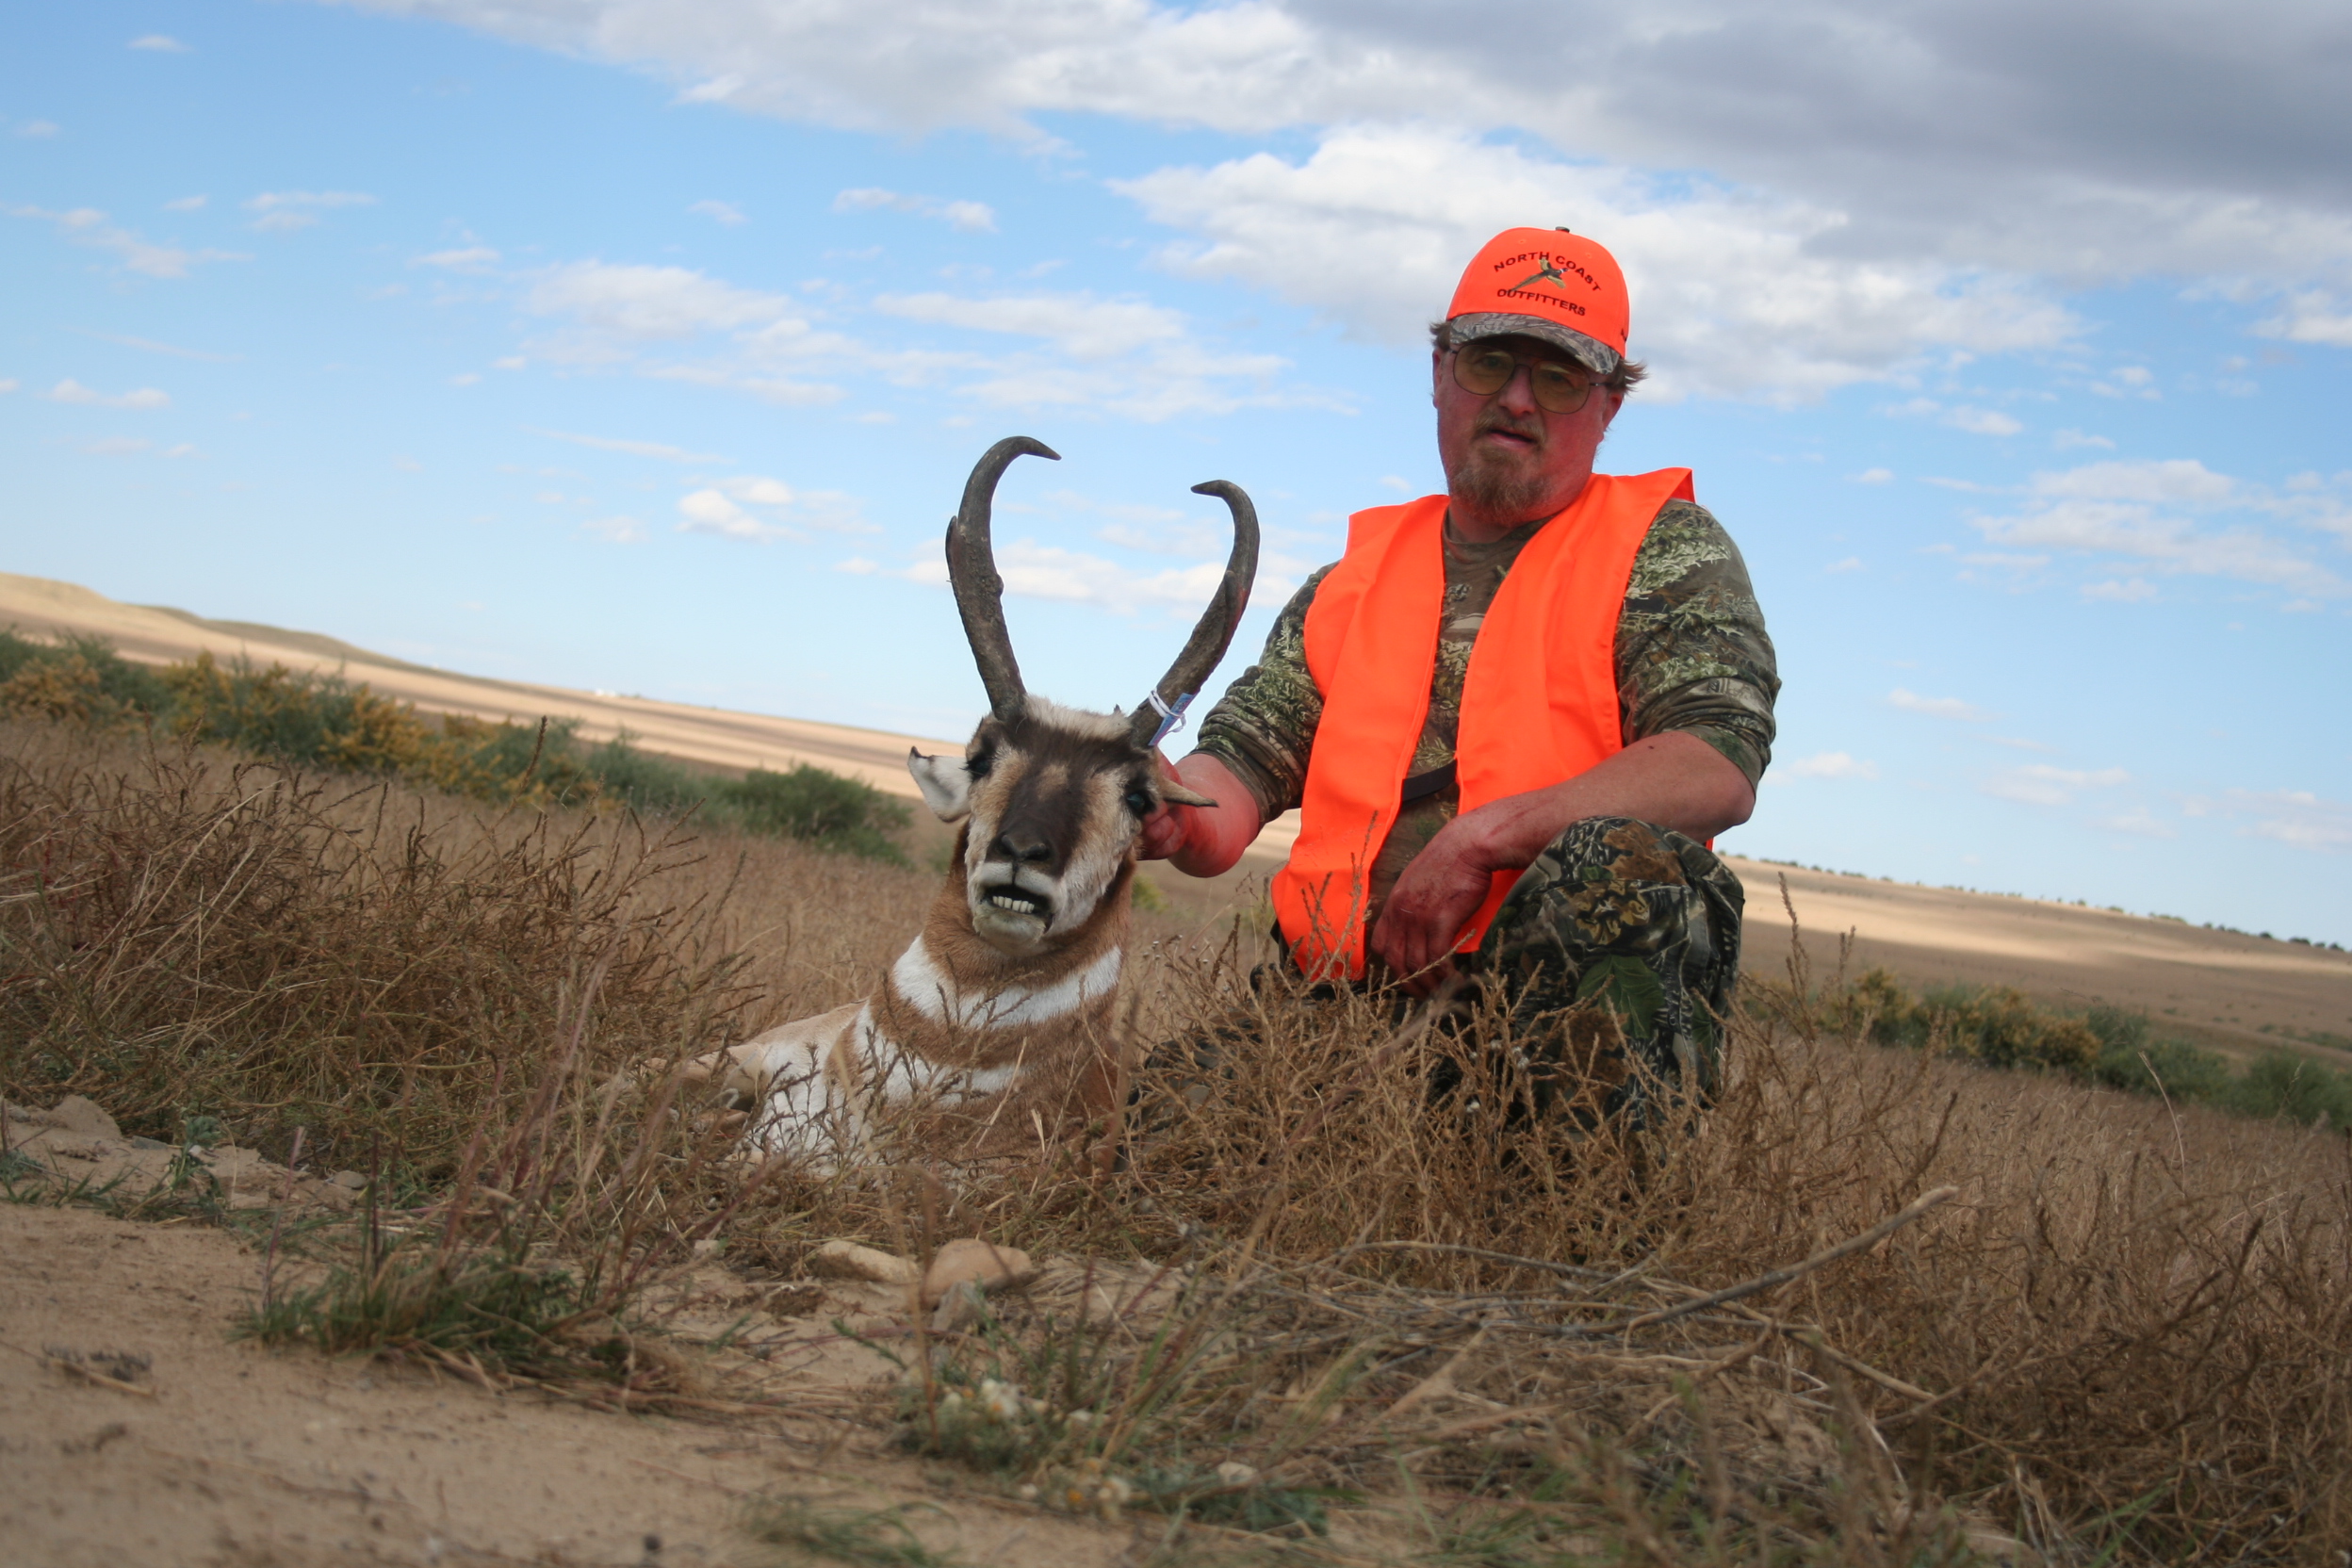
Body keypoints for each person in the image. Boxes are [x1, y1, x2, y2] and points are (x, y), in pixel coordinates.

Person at [1137, 226, 1778, 1130]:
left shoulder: (1663, 550)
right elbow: (1241, 765)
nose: (1517, 399)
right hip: (1339, 1018)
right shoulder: (1350, 583)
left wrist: (1483, 841)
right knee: (1144, 1144)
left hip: (1538, 1028)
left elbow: (1715, 759)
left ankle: (1565, 1209)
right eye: (1488, 364)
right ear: (1439, 373)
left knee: (1626, 867)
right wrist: (1157, 801)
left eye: (1557, 377)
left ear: (1608, 406)